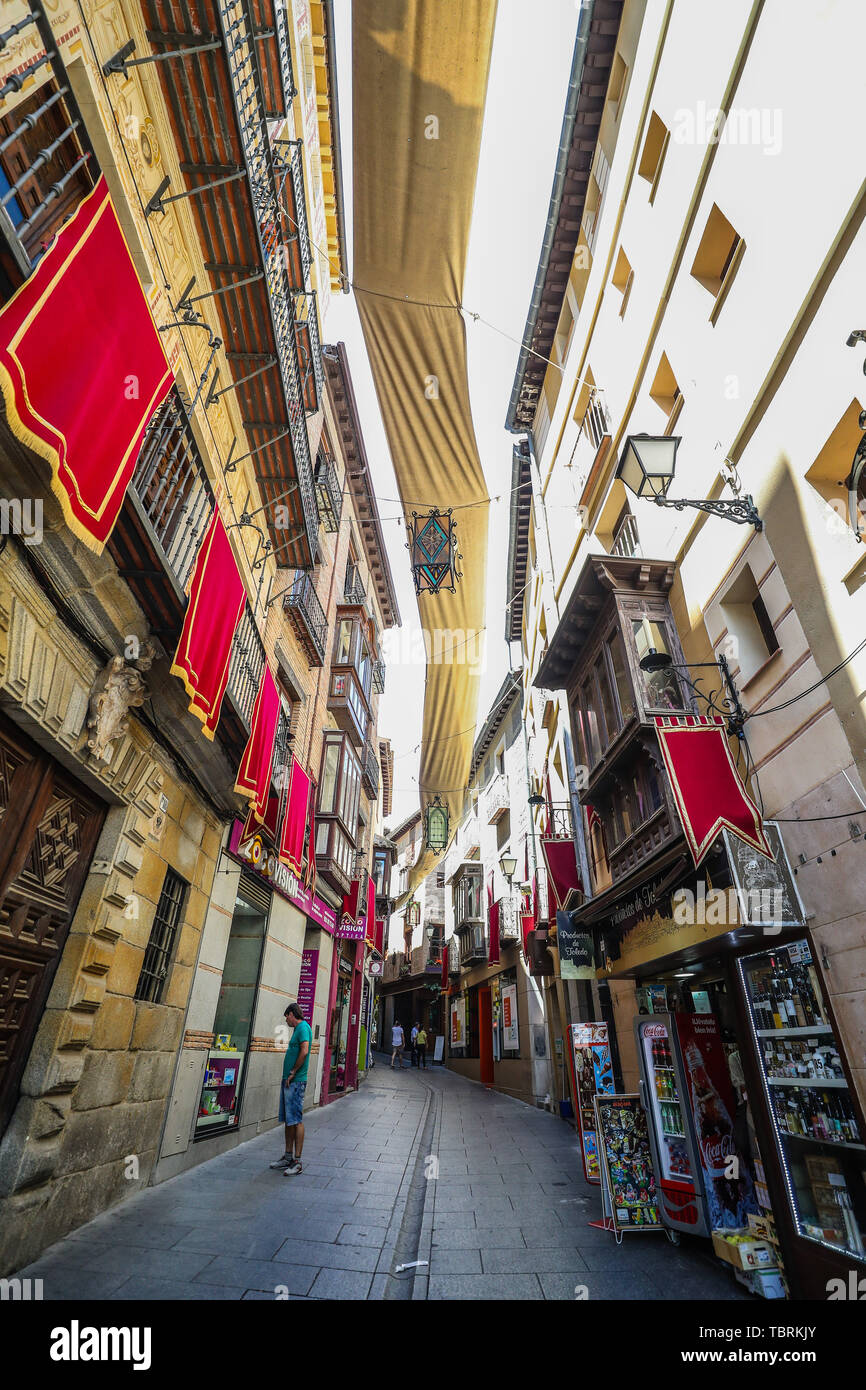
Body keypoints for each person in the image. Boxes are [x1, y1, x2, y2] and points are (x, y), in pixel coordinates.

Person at [269, 1003, 311, 1175]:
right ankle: (288, 1157)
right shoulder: (298, 1029)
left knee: (296, 1119)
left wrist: (293, 1072)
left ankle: (298, 1162)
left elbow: (305, 1051)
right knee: (289, 1119)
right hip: (289, 1081)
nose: (285, 1020)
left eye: (286, 1016)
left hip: (296, 1081)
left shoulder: (302, 1028)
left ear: (292, 1014)